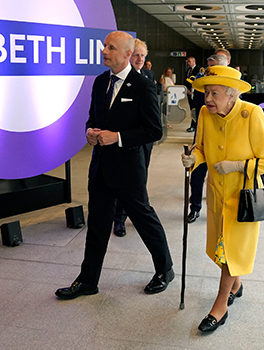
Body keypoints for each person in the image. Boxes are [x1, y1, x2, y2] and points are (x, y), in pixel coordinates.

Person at [55, 31, 174, 300]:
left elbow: (154, 130)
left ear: (127, 55)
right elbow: (92, 118)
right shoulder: (99, 83)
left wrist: (117, 137)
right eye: (104, 46)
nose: (104, 51)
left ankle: (165, 270)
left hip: (129, 170)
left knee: (144, 220)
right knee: (97, 224)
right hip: (100, 167)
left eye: (111, 47)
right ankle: (88, 280)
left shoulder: (142, 86)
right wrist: (89, 132)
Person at [181, 65, 264, 332]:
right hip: (216, 194)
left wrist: (237, 165)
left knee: (230, 252)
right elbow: (200, 147)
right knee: (221, 250)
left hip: (242, 198)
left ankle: (220, 305)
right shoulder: (203, 113)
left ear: (232, 96)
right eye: (206, 93)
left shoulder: (252, 114)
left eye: (214, 93)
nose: (208, 99)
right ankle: (236, 285)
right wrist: (193, 159)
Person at [112, 38, 155, 237]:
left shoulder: (148, 76)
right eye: (136, 55)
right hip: (124, 143)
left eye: (142, 56)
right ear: (129, 55)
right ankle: (119, 219)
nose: (139, 59)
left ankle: (137, 217)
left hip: (144, 143)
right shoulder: (120, 79)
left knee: (140, 182)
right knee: (124, 182)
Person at [187, 51, 230, 224]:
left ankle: (224, 210)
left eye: (214, 68)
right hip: (204, 136)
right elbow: (198, 107)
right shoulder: (202, 85)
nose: (210, 72)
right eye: (210, 68)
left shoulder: (233, 87)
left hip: (226, 139)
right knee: (197, 174)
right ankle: (194, 207)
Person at [185, 57, 201, 132]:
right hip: (189, 92)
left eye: (189, 61)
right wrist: (187, 89)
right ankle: (192, 124)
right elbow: (185, 81)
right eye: (187, 62)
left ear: (194, 61)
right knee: (191, 109)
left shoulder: (198, 70)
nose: (188, 63)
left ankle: (194, 125)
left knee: (195, 109)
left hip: (195, 91)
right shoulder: (188, 71)